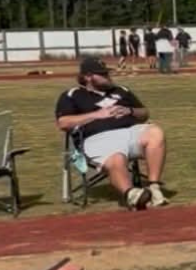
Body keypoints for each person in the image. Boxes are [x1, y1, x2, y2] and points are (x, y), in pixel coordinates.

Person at [55, 56, 169, 209]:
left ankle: (154, 187)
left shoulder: (121, 91)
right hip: (97, 139)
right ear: (88, 77)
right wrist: (96, 115)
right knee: (116, 158)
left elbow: (144, 113)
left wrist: (130, 111)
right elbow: (63, 123)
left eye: (107, 72)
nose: (108, 76)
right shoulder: (72, 95)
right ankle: (132, 194)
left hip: (130, 132)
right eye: (102, 74)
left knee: (155, 132)